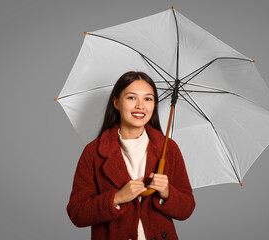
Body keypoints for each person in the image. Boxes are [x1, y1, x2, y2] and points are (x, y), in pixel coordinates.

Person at [66, 71, 195, 240]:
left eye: (148, 99)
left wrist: (167, 192)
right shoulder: (94, 152)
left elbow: (187, 209)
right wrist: (117, 198)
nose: (140, 106)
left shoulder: (168, 148)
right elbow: (77, 213)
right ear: (116, 102)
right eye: (131, 98)